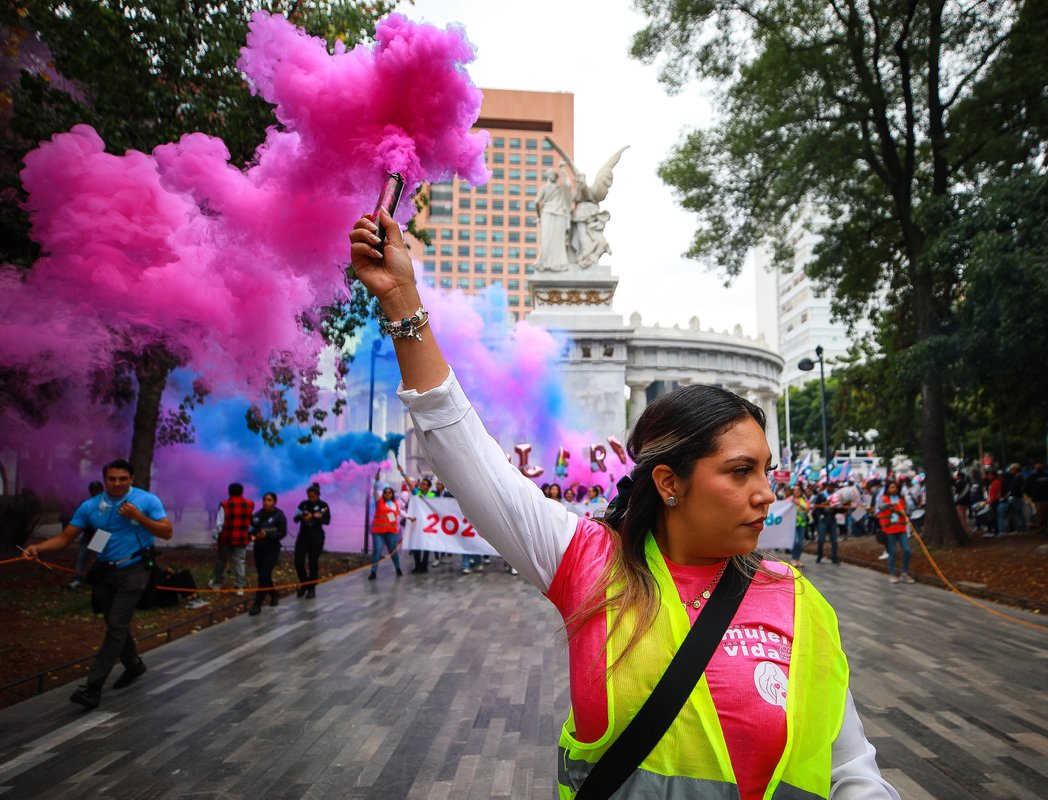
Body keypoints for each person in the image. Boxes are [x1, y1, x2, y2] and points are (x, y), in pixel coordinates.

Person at [349, 210, 898, 799]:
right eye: (740, 471)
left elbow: (853, 773)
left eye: (766, 470)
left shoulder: (798, 601)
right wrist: (403, 301)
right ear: (669, 483)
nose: (767, 492)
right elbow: (467, 455)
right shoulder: (592, 566)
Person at [22, 458, 173, 710]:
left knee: (116, 625)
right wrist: (37, 548)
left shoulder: (147, 500)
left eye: (122, 479)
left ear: (131, 479)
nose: (117, 483)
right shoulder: (90, 506)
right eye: (112, 479)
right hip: (104, 572)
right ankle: (134, 665)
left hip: (135, 569)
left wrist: (138, 517)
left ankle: (92, 688)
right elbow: (64, 538)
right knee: (115, 624)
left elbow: (166, 532)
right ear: (104, 480)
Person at [248, 492, 288, 615]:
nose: (266, 502)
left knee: (263, 575)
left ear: (274, 502)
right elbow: (251, 530)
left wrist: (268, 535)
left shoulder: (279, 515)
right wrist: (253, 536)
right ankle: (274, 594)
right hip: (259, 548)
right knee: (263, 574)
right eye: (264, 499)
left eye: (269, 500)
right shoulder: (256, 515)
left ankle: (257, 604)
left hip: (272, 549)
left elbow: (282, 533)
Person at [210, 482, 254, 595]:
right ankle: (240, 587)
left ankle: (217, 584)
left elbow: (219, 524)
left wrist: (214, 539)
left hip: (225, 539)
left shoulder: (225, 505)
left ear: (229, 492)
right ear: (242, 492)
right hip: (241, 538)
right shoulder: (249, 504)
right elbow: (250, 522)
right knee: (239, 562)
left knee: (221, 561)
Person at [293, 483, 330, 598]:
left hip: (316, 536)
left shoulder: (323, 505)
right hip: (303, 536)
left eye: (313, 496)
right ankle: (304, 583)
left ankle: (311, 588)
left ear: (318, 495)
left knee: (313, 562)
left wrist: (313, 516)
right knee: (298, 561)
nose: (311, 498)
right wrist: (302, 516)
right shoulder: (303, 504)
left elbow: (327, 520)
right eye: (309, 496)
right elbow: (295, 518)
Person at [68, 480, 105, 589]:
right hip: (88, 534)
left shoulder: (106, 503)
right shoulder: (87, 504)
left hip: (100, 535)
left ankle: (100, 579)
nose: (95, 492)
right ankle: (78, 579)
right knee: (82, 558)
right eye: (93, 490)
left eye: (97, 490)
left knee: (101, 559)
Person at [876, 481, 914, 584]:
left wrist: (897, 511)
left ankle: (904, 573)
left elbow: (908, 511)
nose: (894, 489)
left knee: (907, 550)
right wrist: (889, 505)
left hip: (901, 529)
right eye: (892, 487)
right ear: (887, 489)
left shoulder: (902, 499)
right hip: (889, 530)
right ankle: (892, 574)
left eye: (896, 487)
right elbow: (880, 507)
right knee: (892, 552)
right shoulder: (883, 499)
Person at [370, 485, 405, 580]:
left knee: (393, 551)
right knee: (377, 551)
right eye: (385, 492)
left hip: (391, 531)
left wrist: (409, 517)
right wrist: (377, 481)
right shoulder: (379, 502)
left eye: (389, 492)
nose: (387, 494)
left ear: (392, 494)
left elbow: (399, 513)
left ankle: (398, 568)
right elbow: (374, 492)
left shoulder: (395, 504)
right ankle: (373, 572)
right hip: (378, 532)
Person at [788, 485, 810, 568]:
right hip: (793, 524)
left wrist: (799, 504)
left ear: (801, 491)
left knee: (800, 542)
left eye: (797, 490)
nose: (795, 492)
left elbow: (808, 508)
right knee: (796, 541)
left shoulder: (804, 499)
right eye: (794, 490)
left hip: (802, 524)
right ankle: (793, 559)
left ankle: (798, 559)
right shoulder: (790, 499)